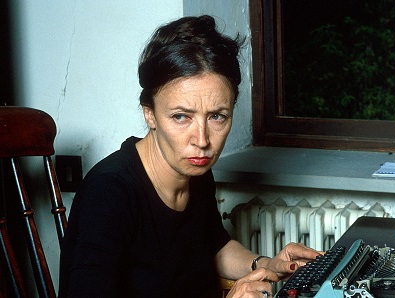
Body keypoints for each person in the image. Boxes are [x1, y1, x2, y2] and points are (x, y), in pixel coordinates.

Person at [59, 15, 320, 297]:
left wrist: (268, 264)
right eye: (181, 116)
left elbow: (214, 246)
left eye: (217, 116)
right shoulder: (108, 193)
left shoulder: (195, 171)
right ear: (150, 113)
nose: (202, 140)